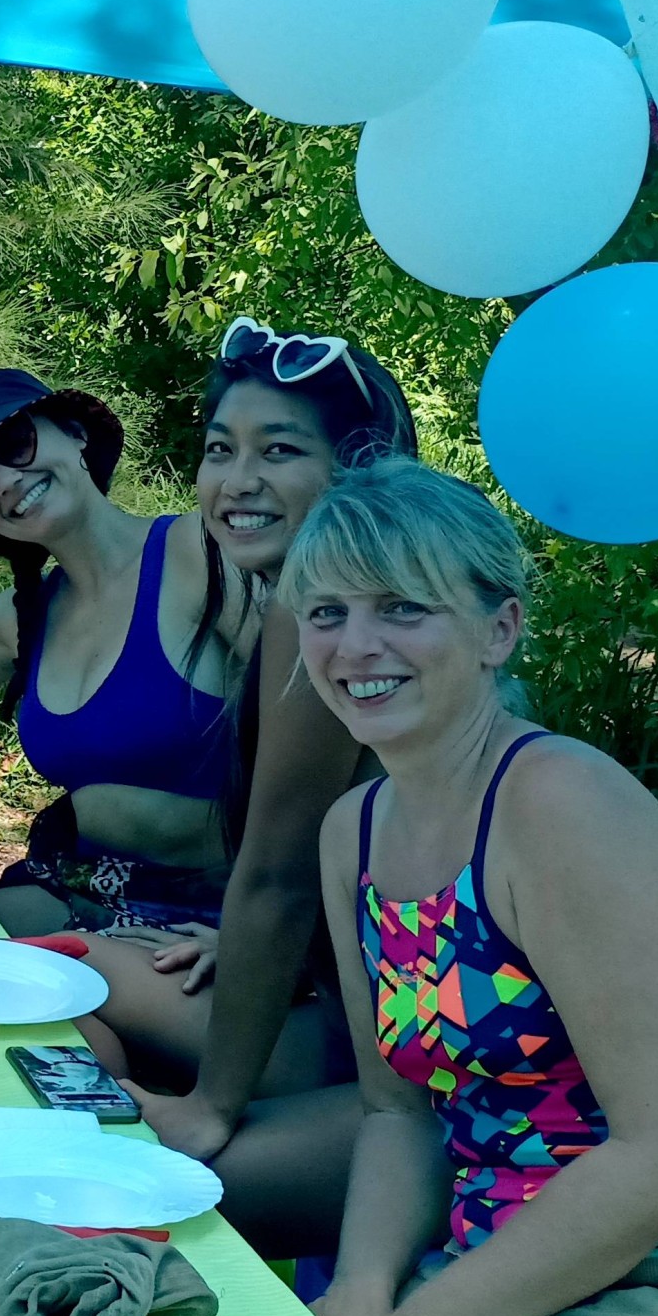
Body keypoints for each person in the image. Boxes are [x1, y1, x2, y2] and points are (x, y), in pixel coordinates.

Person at [284, 460, 658, 1316]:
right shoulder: (354, 831)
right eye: (327, 613)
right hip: (476, 1271)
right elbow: (396, 1113)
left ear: (500, 629)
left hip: (628, 1283)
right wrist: (361, 1296)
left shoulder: (561, 803)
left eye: (402, 609)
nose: (354, 645)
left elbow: (655, 1150)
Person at [86, 319, 419, 1258]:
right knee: (77, 968)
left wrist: (210, 1106)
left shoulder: (331, 611)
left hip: (435, 1081)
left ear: (354, 466)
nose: (238, 482)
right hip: (366, 1009)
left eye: (280, 450)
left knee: (109, 1184)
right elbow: (321, 867)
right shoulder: (315, 598)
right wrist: (240, 939)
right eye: (220, 451)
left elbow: (276, 872)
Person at [0, 368, 247, 937]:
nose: (6, 482)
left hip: (210, 912)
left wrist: (265, 927)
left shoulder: (200, 553)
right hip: (77, 891)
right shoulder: (28, 613)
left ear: (75, 433)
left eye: (15, 444)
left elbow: (332, 733)